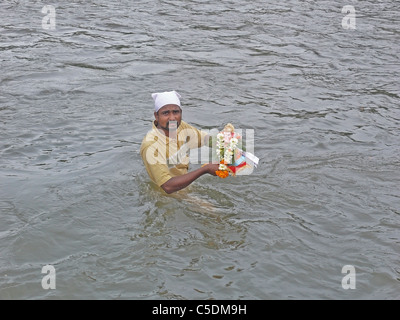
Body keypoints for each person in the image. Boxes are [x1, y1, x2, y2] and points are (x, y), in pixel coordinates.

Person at [140, 91, 220, 194]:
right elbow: (167, 186)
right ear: (156, 116)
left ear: (181, 113)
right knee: (212, 209)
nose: (172, 118)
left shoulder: (180, 126)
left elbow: (205, 139)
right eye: (166, 113)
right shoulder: (151, 145)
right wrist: (205, 169)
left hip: (184, 185)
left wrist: (227, 144)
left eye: (175, 112)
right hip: (165, 195)